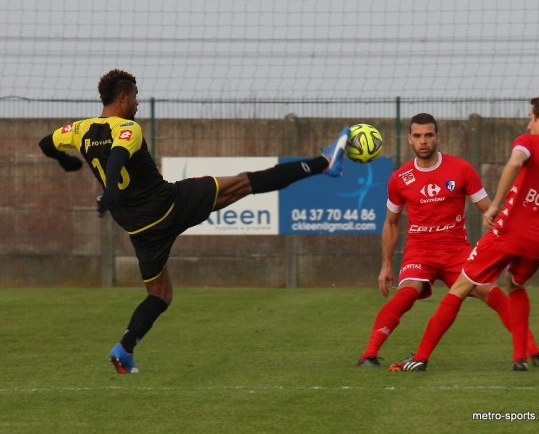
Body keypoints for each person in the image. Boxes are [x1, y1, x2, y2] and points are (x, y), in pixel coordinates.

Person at [38, 69, 350, 374]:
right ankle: (325, 163)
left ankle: (124, 348)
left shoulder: (79, 130)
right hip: (167, 205)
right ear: (122, 97)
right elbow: (118, 155)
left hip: (138, 228)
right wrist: (109, 192)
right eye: (135, 97)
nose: (137, 104)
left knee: (160, 294)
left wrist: (68, 160)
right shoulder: (128, 129)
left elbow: (45, 144)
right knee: (243, 183)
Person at [391, 92, 539, 372]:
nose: (528, 124)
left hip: (508, 234)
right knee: (516, 284)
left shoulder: (528, 141)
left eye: (530, 118)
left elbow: (515, 162)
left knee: (460, 288)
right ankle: (520, 357)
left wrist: (495, 205)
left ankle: (421, 356)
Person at [357, 113, 539, 368]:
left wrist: (513, 236)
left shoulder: (461, 169)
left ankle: (534, 351)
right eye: (417, 136)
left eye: (428, 135)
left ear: (437, 137)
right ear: (409, 139)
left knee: (490, 292)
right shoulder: (399, 178)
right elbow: (392, 223)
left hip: (456, 251)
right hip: (420, 252)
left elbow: (489, 209)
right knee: (406, 294)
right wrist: (385, 265)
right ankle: (368, 355)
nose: (423, 141)